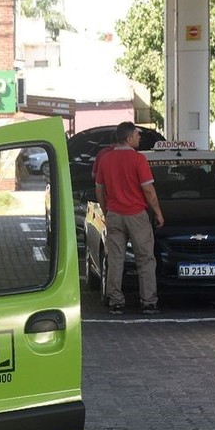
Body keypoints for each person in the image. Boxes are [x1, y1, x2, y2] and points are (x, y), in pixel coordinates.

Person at [94, 121, 164, 315]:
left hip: (114, 214)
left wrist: (106, 210)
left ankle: (115, 301)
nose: (139, 137)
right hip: (136, 215)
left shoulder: (105, 160)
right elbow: (148, 190)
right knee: (145, 259)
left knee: (115, 259)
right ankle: (148, 302)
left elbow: (99, 190)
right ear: (128, 138)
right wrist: (158, 212)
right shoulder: (138, 159)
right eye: (137, 135)